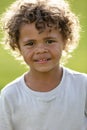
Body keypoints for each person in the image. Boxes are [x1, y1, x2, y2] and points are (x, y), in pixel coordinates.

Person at [0, 0, 87, 130]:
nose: (41, 50)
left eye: (49, 41)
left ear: (65, 40)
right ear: (17, 47)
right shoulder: (10, 95)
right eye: (30, 43)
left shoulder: (83, 86)